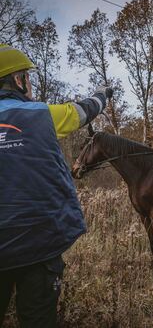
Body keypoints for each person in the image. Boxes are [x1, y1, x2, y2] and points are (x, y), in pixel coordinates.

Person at [0, 44, 113, 327]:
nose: (30, 84)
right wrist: (103, 95)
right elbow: (85, 110)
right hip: (40, 244)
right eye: (28, 77)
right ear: (17, 80)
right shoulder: (43, 114)